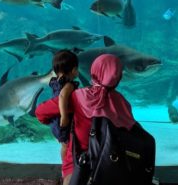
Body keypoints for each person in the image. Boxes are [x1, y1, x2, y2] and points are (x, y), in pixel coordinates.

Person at [36, 54, 136, 185]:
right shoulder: (123, 103)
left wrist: (57, 122)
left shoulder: (79, 97)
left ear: (94, 72)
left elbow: (40, 112)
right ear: (118, 76)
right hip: (111, 161)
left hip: (78, 163)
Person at [48, 49, 79, 162]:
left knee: (64, 145)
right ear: (74, 70)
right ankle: (67, 167)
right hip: (63, 122)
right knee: (67, 145)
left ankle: (65, 166)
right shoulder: (69, 85)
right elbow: (62, 97)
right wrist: (64, 116)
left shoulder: (56, 83)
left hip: (55, 122)